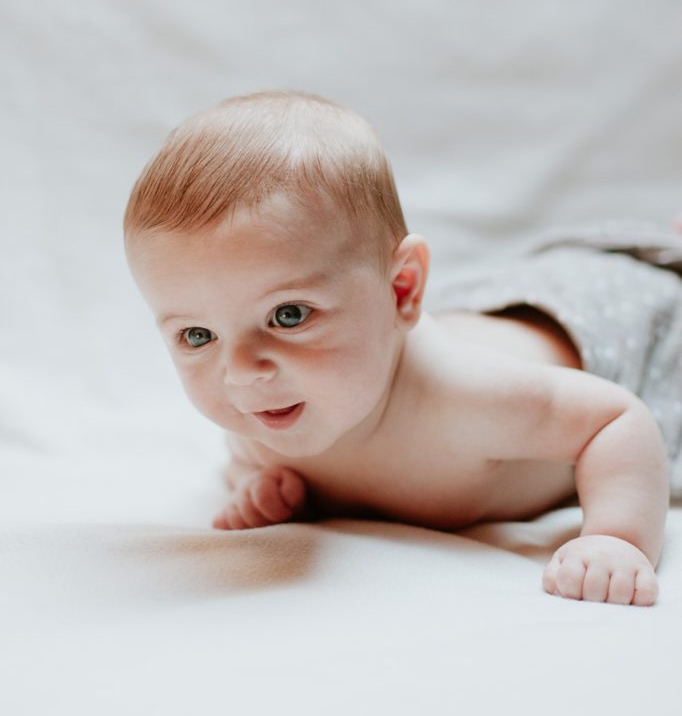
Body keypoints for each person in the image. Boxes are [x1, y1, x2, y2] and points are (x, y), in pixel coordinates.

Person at [124, 90, 681, 607]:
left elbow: (615, 419)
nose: (241, 373)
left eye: (288, 315)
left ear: (401, 291)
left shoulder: (468, 399)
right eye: (198, 336)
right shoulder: (267, 411)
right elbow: (243, 455)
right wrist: (258, 487)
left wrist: (616, 537)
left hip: (606, 320)